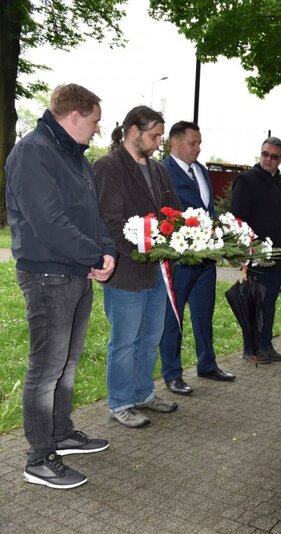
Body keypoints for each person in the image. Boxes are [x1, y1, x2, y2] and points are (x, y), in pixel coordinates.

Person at [5, 84, 117, 489]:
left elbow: (92, 214)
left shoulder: (74, 156)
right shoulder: (33, 152)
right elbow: (48, 222)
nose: (97, 129)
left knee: (67, 363)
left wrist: (106, 251)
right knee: (46, 368)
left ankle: (61, 434)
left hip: (76, 271)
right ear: (74, 117)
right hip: (48, 273)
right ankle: (38, 458)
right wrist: (93, 256)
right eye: (94, 121)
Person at [94, 106, 183, 428]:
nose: (159, 141)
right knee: (124, 341)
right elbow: (109, 222)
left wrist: (186, 235)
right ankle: (120, 402)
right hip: (126, 272)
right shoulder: (108, 167)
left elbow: (173, 211)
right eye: (154, 135)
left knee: (151, 336)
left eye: (160, 135)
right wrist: (144, 248)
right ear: (133, 130)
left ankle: (143, 393)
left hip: (156, 270)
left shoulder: (158, 170)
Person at [159, 121, 235, 396]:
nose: (197, 148)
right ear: (174, 143)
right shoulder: (163, 172)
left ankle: (207, 364)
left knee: (204, 314)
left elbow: (208, 209)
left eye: (199, 143)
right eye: (192, 143)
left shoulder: (201, 170)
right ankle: (172, 373)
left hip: (206, 259)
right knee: (174, 317)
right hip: (180, 260)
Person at [231, 136, 281, 364]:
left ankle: (265, 344)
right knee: (255, 303)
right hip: (257, 255)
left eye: (274, 156)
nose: (268, 159)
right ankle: (250, 349)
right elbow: (237, 220)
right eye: (265, 154)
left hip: (279, 255)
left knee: (269, 301)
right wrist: (243, 252)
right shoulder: (246, 180)